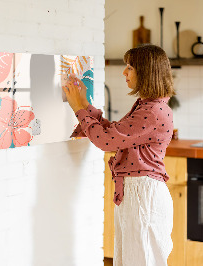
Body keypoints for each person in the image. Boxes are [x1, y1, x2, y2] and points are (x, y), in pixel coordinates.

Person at [63, 44, 175, 266]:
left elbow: (106, 141)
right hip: (138, 193)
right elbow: (114, 133)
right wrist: (85, 104)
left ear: (146, 72)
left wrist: (78, 108)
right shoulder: (148, 106)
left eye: (130, 67)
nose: (124, 72)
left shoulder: (152, 111)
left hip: (143, 195)